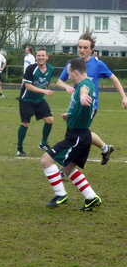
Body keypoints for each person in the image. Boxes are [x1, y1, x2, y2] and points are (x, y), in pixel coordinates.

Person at [57, 30, 127, 165]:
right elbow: (59, 81)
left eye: (85, 47)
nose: (81, 50)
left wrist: (124, 97)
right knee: (81, 133)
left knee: (77, 134)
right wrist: (66, 87)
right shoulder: (72, 63)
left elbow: (114, 79)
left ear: (91, 49)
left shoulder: (98, 64)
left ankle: (67, 166)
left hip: (90, 106)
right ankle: (105, 148)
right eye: (80, 47)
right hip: (76, 105)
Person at [41, 58, 101, 211]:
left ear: (75, 72)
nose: (68, 77)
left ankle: (61, 194)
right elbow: (81, 106)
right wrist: (71, 114)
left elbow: (84, 91)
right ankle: (91, 197)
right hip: (81, 135)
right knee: (69, 168)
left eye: (69, 74)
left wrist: (82, 96)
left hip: (77, 137)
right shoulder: (83, 83)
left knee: (46, 160)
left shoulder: (85, 84)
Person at [16, 48, 54, 157]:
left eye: (43, 56)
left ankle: (43, 144)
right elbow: (28, 86)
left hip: (39, 100)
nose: (41, 58)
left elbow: (48, 81)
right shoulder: (31, 68)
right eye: (39, 56)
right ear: (36, 57)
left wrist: (47, 90)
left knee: (50, 120)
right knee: (25, 123)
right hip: (26, 100)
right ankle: (19, 148)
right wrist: (44, 91)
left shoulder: (50, 69)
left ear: (47, 57)